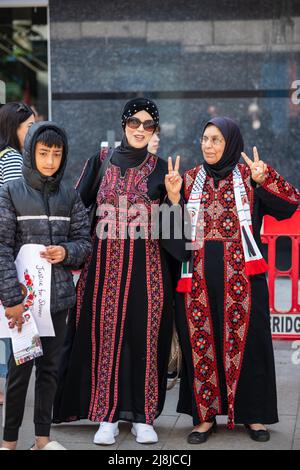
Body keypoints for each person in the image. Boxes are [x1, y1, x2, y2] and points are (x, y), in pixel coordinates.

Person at [53, 98, 189, 445]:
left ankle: (145, 417)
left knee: (145, 341)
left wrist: (174, 200)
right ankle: (107, 416)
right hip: (103, 275)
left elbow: (179, 236)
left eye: (149, 125)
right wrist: (65, 251)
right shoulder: (99, 162)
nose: (141, 129)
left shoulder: (162, 170)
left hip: (150, 275)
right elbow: (78, 210)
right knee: (105, 341)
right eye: (135, 122)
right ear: (124, 124)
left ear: (155, 130)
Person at [175, 117, 300, 444]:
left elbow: (291, 204)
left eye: (216, 140)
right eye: (205, 139)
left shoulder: (250, 177)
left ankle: (254, 415)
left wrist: (267, 177)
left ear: (230, 143)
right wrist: (172, 198)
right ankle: (204, 417)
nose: (209, 145)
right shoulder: (188, 180)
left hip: (245, 283)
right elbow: (169, 231)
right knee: (202, 345)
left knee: (251, 347)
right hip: (198, 283)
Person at [0, 121, 91, 450]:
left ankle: (42, 440)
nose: (50, 160)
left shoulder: (69, 194)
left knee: (50, 371)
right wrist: (11, 298)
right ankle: (9, 442)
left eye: (56, 154)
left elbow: (85, 242)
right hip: (22, 304)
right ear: (31, 153)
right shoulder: (10, 191)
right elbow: (2, 247)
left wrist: (66, 252)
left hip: (58, 302)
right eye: (43, 153)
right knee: (19, 373)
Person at [0, 101, 35, 406]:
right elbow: (16, 205)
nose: (34, 131)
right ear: (15, 129)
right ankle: (10, 391)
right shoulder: (12, 159)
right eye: (29, 126)